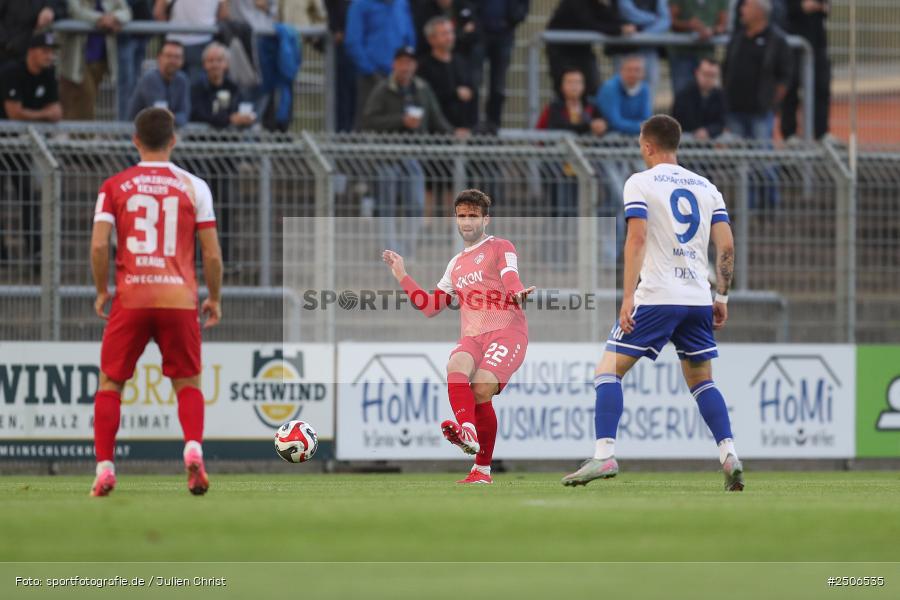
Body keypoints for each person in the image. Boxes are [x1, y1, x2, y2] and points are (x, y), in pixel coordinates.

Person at [562, 114, 743, 491]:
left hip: (658, 295)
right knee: (701, 381)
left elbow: (637, 238)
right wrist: (721, 295)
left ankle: (604, 453)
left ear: (647, 146)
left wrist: (628, 296)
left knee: (607, 370)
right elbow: (725, 246)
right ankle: (728, 453)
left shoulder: (640, 182)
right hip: (697, 298)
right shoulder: (706, 187)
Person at [89, 107, 223, 497]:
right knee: (187, 382)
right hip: (178, 298)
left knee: (111, 383)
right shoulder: (193, 186)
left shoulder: (114, 186)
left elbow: (99, 244)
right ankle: (193, 450)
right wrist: (213, 297)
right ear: (173, 140)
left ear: (135, 140)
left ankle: (105, 470)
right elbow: (212, 255)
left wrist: (102, 290)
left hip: (131, 297)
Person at [382, 189, 535, 484]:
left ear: (485, 219)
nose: (467, 222)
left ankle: (481, 465)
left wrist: (516, 292)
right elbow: (429, 307)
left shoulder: (500, 246)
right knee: (455, 366)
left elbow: (509, 275)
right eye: (462, 216)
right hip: (474, 337)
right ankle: (471, 442)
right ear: (455, 219)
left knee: (480, 390)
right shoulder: (455, 264)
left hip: (506, 333)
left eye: (473, 216)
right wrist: (402, 275)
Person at [361, 46, 451, 258]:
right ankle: (389, 252)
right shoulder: (383, 89)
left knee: (416, 204)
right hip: (386, 157)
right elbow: (369, 120)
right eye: (401, 61)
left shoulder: (422, 89)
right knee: (386, 204)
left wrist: (454, 133)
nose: (405, 66)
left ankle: (408, 251)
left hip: (412, 156)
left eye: (409, 62)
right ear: (394, 64)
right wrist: (400, 120)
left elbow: (437, 119)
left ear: (415, 65)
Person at [0, 32, 62, 264]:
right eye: (45, 51)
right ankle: (2, 252)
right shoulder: (11, 72)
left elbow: (57, 112)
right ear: (31, 52)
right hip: (3, 142)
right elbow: (13, 113)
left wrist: (32, 117)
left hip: (23, 145)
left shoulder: (48, 74)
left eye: (52, 51)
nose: (50, 56)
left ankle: (35, 251)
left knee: (28, 197)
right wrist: (42, 115)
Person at [723, 0, 791, 141]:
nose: (742, 9)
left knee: (762, 156)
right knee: (737, 157)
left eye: (746, 6)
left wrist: (771, 104)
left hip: (761, 112)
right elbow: (726, 68)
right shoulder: (737, 38)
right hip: (735, 110)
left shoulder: (776, 40)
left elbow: (785, 77)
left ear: (759, 12)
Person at [345, 0, 416, 125]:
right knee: (369, 119)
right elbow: (353, 42)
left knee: (401, 118)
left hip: (400, 75)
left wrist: (406, 66)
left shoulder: (402, 4)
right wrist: (370, 70)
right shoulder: (360, 5)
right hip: (372, 76)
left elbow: (409, 38)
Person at [59, 0, 132, 120]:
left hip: (101, 57)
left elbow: (127, 12)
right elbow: (75, 11)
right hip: (77, 58)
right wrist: (101, 19)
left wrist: (114, 18)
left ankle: (80, 135)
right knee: (85, 97)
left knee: (86, 101)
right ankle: (85, 136)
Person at [546, 0, 633, 99]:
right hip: (561, 50)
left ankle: (590, 113)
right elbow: (588, 24)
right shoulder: (576, 3)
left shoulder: (606, 3)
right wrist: (619, 29)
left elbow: (611, 18)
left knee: (592, 87)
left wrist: (626, 26)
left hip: (582, 49)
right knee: (566, 89)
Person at [473, 0, 528, 129]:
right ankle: (472, 124)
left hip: (504, 34)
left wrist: (514, 18)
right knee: (474, 81)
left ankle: (493, 125)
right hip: (479, 33)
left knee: (498, 85)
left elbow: (523, 6)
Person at [416, 15, 476, 132]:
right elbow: (426, 99)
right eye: (444, 34)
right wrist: (454, 94)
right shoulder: (423, 67)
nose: (449, 37)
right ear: (431, 39)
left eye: (450, 32)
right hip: (435, 133)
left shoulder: (461, 62)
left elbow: (472, 92)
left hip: (463, 131)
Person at [781, 0, 830, 140]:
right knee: (791, 88)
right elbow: (782, 9)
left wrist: (821, 6)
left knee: (821, 86)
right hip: (793, 41)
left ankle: (821, 133)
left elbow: (826, 8)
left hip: (818, 42)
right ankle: (790, 134)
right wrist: (801, 7)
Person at [607, 0, 670, 101]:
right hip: (625, 49)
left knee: (649, 94)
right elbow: (627, 12)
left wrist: (643, 36)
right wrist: (655, 18)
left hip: (649, 50)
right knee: (623, 92)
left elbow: (665, 21)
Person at [153, 0, 228, 84]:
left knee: (171, 84)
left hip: (174, 41)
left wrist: (168, 31)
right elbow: (223, 15)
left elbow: (158, 12)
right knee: (197, 87)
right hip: (203, 39)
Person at [668, 0, 728, 96]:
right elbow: (670, 20)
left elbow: (723, 24)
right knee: (683, 96)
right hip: (682, 53)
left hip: (707, 55)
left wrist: (711, 31)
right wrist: (689, 24)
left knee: (709, 97)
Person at [127, 40, 191, 127]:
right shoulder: (150, 79)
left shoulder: (182, 79)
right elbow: (160, 117)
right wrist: (175, 119)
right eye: (168, 56)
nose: (172, 60)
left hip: (162, 134)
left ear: (182, 60)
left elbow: (184, 114)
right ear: (159, 58)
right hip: (138, 134)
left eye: (177, 57)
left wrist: (174, 119)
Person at [0, 1, 64, 71]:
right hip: (6, 50)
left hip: (33, 55)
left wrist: (50, 10)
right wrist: (6, 42)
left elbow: (63, 8)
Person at [597, 54, 651, 136]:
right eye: (629, 70)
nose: (633, 74)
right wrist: (640, 127)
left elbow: (646, 119)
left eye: (637, 70)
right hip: (608, 134)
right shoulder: (610, 88)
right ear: (621, 71)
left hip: (635, 134)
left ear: (643, 73)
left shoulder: (645, 89)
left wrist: (643, 127)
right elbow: (614, 122)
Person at [672, 57, 726, 140]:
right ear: (697, 73)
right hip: (689, 135)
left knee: (727, 139)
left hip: (712, 137)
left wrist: (708, 131)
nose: (708, 78)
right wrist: (698, 132)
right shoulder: (684, 94)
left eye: (713, 75)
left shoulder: (721, 96)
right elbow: (677, 120)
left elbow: (722, 122)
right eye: (705, 74)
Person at [117, 1, 153, 120]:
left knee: (136, 84)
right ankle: (124, 129)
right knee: (127, 85)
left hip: (142, 32)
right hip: (126, 34)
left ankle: (131, 125)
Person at [324, 0, 355, 131]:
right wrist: (336, 27)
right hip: (344, 45)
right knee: (343, 95)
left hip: (364, 45)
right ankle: (342, 135)